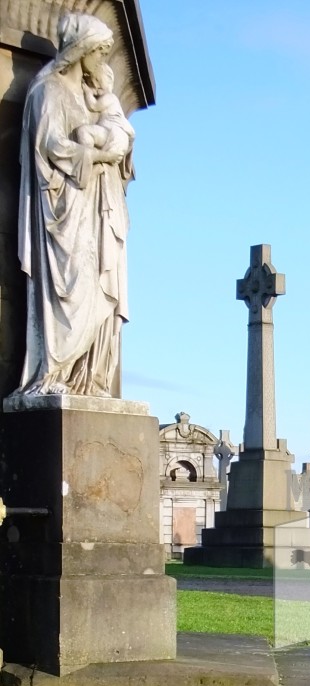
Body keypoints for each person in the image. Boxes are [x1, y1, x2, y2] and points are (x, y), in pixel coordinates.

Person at [15, 12, 134, 398]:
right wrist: (100, 156)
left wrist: (110, 143)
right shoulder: (48, 91)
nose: (102, 62)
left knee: (99, 295)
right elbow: (52, 149)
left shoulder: (91, 96)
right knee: (70, 292)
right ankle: (55, 374)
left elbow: (117, 135)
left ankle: (89, 377)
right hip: (63, 214)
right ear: (80, 50)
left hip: (95, 211)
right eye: (98, 53)